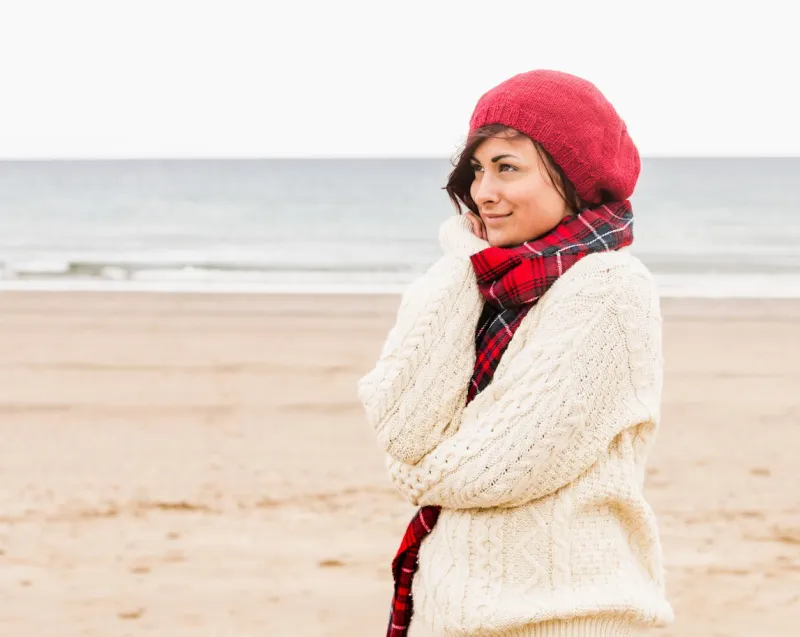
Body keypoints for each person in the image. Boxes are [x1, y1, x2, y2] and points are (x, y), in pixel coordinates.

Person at [357, 70, 674, 637]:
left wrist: (418, 472)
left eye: (508, 167)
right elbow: (399, 430)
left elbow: (505, 466)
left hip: (571, 617)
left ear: (573, 176)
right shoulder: (471, 280)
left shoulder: (610, 287)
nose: (482, 192)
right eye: (477, 169)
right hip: (445, 613)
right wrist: (463, 263)